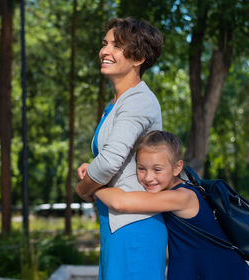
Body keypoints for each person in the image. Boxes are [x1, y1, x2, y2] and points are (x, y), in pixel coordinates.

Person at [76, 18, 167, 279]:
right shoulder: (118, 103)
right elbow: (109, 159)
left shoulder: (137, 100)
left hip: (134, 227)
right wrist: (91, 167)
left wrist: (83, 190)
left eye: (117, 46)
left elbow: (110, 162)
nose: (105, 51)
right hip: (116, 223)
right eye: (105, 44)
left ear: (138, 58)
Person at [95, 130, 249, 280]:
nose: (149, 177)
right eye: (141, 168)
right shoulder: (174, 190)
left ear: (177, 167)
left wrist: (92, 184)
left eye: (157, 169)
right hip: (200, 268)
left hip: (222, 271)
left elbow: (119, 202)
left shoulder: (181, 197)